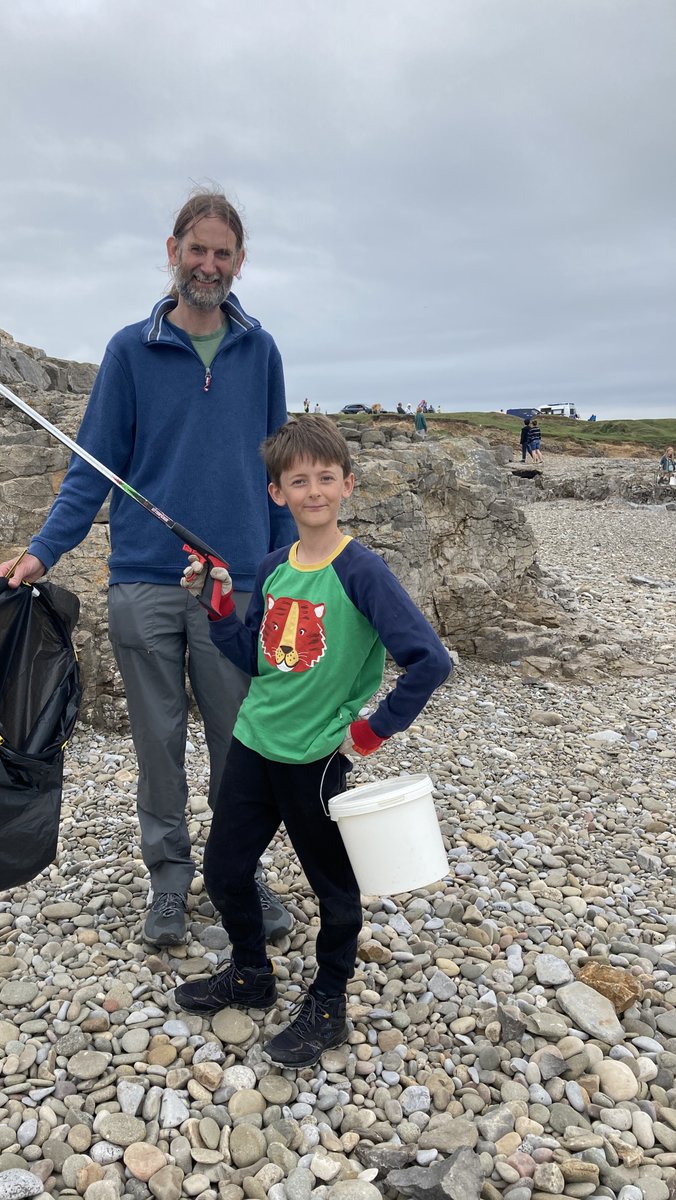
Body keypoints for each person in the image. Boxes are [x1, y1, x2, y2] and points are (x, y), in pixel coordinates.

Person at [0, 189, 296, 947]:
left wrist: (293, 570)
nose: (209, 264)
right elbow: (89, 471)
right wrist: (41, 551)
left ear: (239, 262)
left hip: (235, 588)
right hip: (143, 581)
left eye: (223, 253)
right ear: (173, 252)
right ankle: (167, 883)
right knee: (157, 746)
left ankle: (242, 875)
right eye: (197, 249)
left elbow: (281, 473)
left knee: (243, 742)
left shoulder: (260, 351)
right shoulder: (131, 349)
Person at [173, 416, 451, 1067]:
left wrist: (368, 733)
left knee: (334, 888)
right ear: (279, 493)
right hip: (254, 743)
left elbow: (429, 660)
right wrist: (217, 606)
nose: (313, 490)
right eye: (299, 481)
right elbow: (254, 656)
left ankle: (329, 1002)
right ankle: (249, 974)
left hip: (317, 760)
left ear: (347, 484)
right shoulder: (272, 568)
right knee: (224, 870)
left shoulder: (363, 572)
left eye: (325, 478)